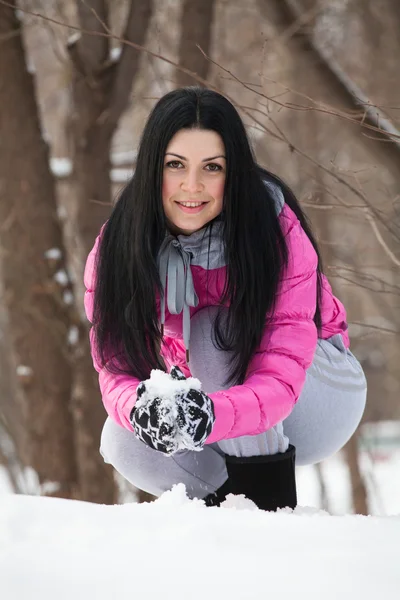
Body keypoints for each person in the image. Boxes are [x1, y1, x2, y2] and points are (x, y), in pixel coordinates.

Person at [84, 86, 367, 511]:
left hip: (316, 395)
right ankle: (225, 517)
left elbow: (281, 374)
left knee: (212, 332)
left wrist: (211, 415)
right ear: (151, 169)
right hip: (215, 408)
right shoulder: (119, 246)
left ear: (233, 173)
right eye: (175, 165)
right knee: (123, 440)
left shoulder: (274, 232)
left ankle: (268, 507)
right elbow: (115, 368)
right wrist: (141, 410)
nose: (192, 186)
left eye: (211, 167)